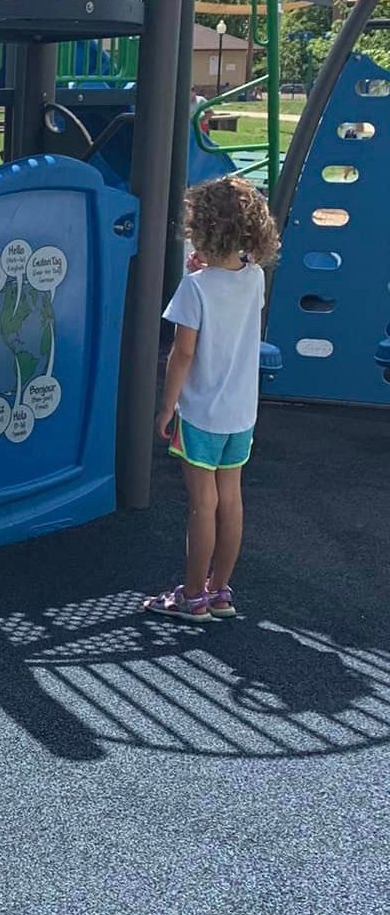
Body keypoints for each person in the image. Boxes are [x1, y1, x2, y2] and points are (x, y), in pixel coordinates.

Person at [145, 177, 280, 622]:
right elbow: (233, 293)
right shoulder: (255, 277)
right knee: (231, 499)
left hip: (201, 411)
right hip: (241, 411)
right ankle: (220, 591)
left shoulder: (195, 288)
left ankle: (190, 595)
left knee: (202, 504)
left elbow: (183, 353)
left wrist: (167, 406)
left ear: (201, 228)